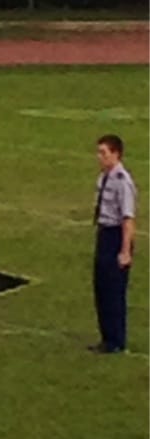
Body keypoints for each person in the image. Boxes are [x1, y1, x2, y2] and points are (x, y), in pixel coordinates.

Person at [90, 134, 137, 354]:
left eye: (104, 153)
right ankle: (106, 337)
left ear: (116, 154)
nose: (99, 157)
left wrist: (125, 251)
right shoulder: (104, 178)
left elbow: (128, 219)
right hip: (104, 233)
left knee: (114, 290)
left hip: (116, 235)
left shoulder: (122, 182)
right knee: (101, 287)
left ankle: (117, 339)